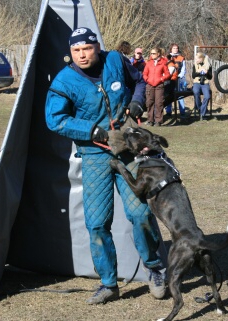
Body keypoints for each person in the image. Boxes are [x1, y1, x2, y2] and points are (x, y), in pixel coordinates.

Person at [44, 27, 166, 304]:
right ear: (71, 52)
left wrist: (136, 105)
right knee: (97, 223)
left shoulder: (115, 60)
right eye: (76, 50)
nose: (82, 55)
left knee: (141, 214)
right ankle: (109, 283)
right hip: (95, 156)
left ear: (96, 46)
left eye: (86, 48)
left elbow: (141, 80)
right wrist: (95, 132)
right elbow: (55, 120)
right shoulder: (65, 82)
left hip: (127, 151)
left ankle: (155, 269)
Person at [142, 47, 171, 126]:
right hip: (149, 85)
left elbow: (168, 74)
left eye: (153, 53)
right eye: (151, 53)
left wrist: (162, 79)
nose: (152, 55)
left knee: (159, 103)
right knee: (149, 102)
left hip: (159, 86)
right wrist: (147, 79)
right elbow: (144, 73)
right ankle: (150, 120)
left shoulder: (163, 63)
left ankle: (158, 121)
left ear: (158, 54)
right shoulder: (149, 63)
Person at [164, 43, 186, 118]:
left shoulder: (181, 58)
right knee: (169, 95)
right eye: (174, 48)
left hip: (179, 79)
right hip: (169, 79)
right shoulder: (166, 58)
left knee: (180, 95)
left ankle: (182, 112)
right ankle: (168, 112)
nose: (175, 49)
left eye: (176, 48)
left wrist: (179, 76)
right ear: (171, 49)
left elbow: (183, 70)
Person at [192, 52, 212, 118]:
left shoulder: (208, 65)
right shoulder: (195, 65)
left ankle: (202, 113)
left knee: (207, 96)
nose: (196, 60)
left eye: (197, 59)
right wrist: (199, 71)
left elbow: (210, 77)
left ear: (201, 59)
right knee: (196, 92)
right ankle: (200, 109)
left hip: (205, 83)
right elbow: (193, 76)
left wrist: (206, 73)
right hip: (197, 82)